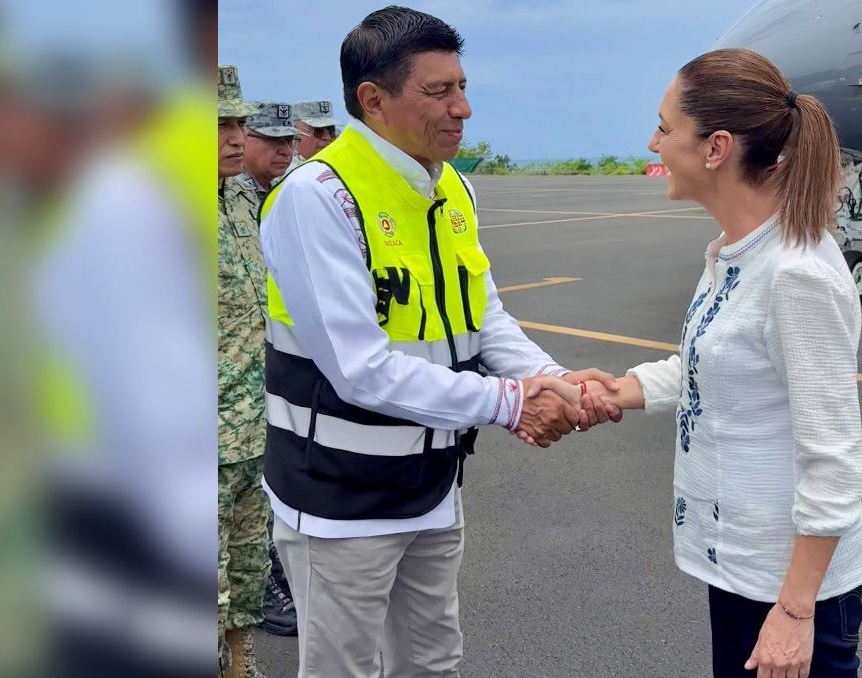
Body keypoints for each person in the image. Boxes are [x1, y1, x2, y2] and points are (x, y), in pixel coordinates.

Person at [257, 7, 619, 677]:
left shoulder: (451, 186)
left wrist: (554, 379)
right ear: (373, 99)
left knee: (432, 662)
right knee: (344, 670)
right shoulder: (318, 198)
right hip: (340, 500)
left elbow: (484, 318)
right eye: (439, 91)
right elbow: (360, 371)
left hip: (430, 484)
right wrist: (513, 403)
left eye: (461, 86)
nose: (464, 108)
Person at [577, 49, 862, 678]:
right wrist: (617, 391)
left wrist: (795, 615)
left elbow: (833, 460)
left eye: (665, 127)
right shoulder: (735, 254)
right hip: (744, 568)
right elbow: (706, 365)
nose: (654, 142)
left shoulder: (796, 275)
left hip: (794, 590)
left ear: (715, 148)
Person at [217, 64, 269, 678]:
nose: (235, 136)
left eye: (237, 121)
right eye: (218, 125)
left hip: (253, 429)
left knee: (247, 567)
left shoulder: (240, 198)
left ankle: (240, 663)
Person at [241, 100, 299, 203]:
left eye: (289, 140)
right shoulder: (224, 191)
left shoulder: (285, 188)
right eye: (274, 139)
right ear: (243, 137)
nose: (286, 151)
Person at [292, 99, 341, 164]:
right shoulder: (283, 171)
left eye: (331, 131)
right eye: (318, 130)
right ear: (295, 131)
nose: (328, 137)